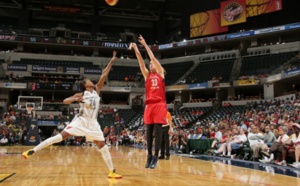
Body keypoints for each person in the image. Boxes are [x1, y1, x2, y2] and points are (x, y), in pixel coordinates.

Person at [22, 51, 122, 179]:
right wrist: (75, 99)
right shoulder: (81, 95)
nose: (90, 80)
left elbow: (104, 74)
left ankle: (112, 171)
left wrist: (112, 60)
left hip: (93, 123)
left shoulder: (96, 91)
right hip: (81, 121)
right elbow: (65, 101)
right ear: (85, 85)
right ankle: (32, 151)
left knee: (103, 146)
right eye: (87, 80)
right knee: (59, 137)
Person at [129, 35, 167, 169]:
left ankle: (156, 157)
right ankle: (149, 156)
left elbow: (152, 57)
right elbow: (140, 62)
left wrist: (145, 44)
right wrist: (136, 49)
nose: (151, 65)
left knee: (157, 132)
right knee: (148, 132)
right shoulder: (147, 75)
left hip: (160, 105)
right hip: (149, 106)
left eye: (152, 63)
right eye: (150, 64)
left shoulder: (160, 73)